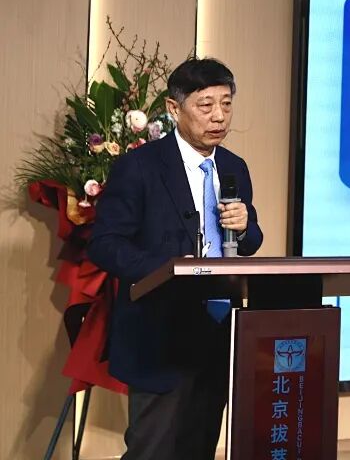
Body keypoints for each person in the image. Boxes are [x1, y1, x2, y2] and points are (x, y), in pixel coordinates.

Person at [89, 57, 264, 460]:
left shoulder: (234, 167)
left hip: (219, 333)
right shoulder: (139, 167)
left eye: (226, 104)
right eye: (206, 105)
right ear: (174, 108)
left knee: (198, 447)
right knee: (152, 450)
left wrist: (246, 225)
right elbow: (105, 243)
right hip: (160, 334)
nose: (219, 116)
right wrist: (170, 270)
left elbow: (249, 242)